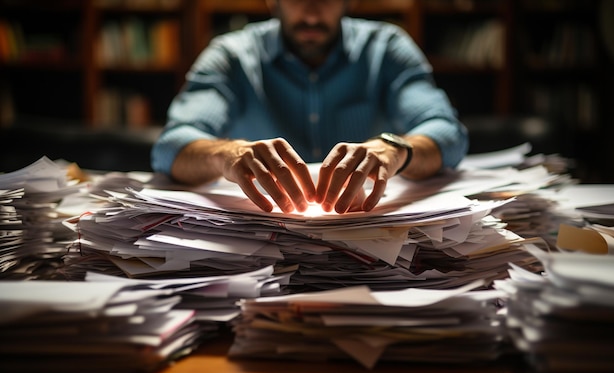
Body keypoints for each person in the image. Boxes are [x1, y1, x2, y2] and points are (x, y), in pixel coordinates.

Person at [151, 0, 468, 214]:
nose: (312, 15)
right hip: (262, 240)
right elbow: (171, 146)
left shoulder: (386, 48)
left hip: (367, 232)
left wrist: (395, 149)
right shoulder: (231, 56)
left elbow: (446, 132)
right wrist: (225, 155)